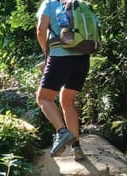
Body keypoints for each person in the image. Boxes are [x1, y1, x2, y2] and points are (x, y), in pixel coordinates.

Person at [35, 0, 91, 160]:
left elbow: (41, 30)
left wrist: (47, 52)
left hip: (60, 57)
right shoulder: (81, 4)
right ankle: (77, 148)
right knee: (66, 100)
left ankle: (62, 132)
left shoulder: (49, 4)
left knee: (43, 98)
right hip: (83, 58)